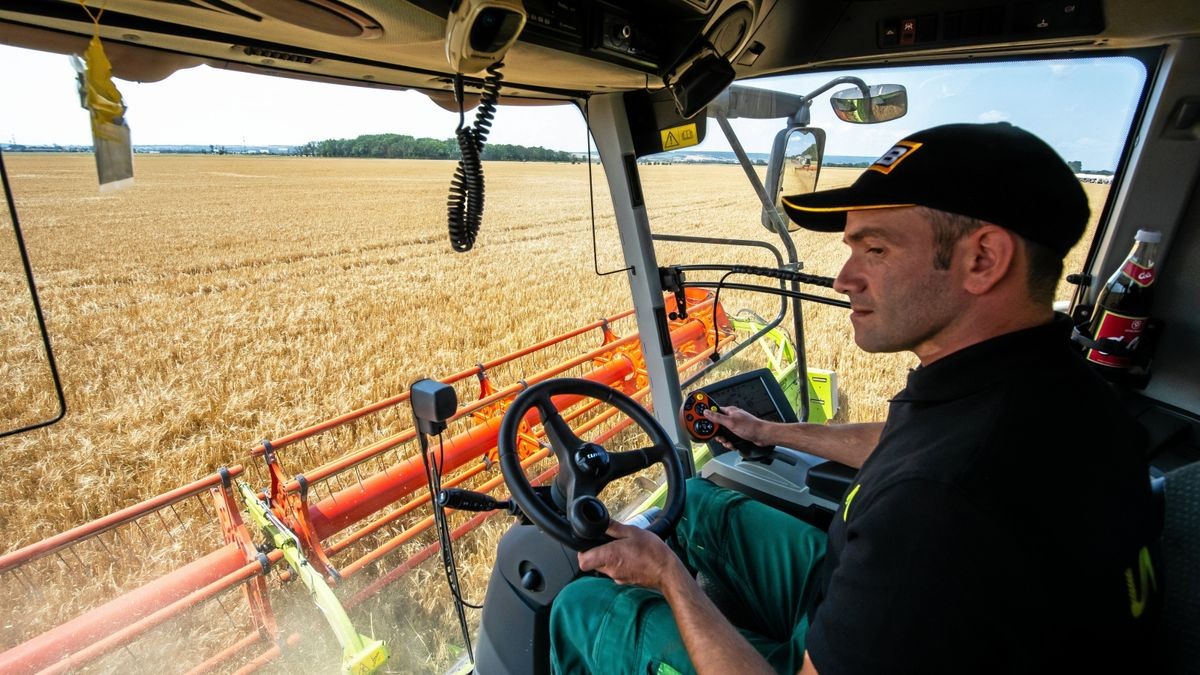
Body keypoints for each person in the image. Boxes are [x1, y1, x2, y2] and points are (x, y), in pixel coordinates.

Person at [548, 122, 1158, 675]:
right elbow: (901, 448)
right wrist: (769, 433)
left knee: (582, 604)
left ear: (983, 259)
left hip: (875, 622)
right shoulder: (1053, 387)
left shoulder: (936, 510)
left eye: (875, 249)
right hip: (874, 602)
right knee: (701, 504)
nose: (844, 278)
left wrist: (668, 578)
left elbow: (929, 491)